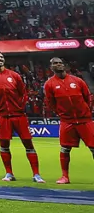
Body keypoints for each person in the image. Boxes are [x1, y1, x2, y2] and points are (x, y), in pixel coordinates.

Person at [0, 51, 43, 183]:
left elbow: (23, 93)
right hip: (2, 116)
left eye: (1, 57)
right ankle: (9, 173)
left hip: (18, 115)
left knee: (28, 143)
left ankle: (36, 174)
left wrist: (20, 107)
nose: (0, 59)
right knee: (4, 145)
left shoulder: (14, 75)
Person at [43, 57, 94, 185]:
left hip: (84, 120)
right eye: (55, 63)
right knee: (65, 148)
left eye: (60, 63)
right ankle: (65, 177)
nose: (58, 65)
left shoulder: (77, 80)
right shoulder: (49, 84)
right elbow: (51, 103)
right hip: (67, 121)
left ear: (64, 66)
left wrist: (86, 111)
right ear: (51, 67)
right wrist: (62, 113)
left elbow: (87, 97)